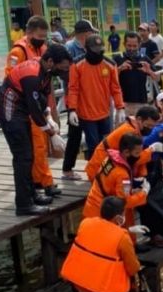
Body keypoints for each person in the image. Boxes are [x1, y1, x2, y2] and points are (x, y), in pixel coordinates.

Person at [0, 44, 71, 216]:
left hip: (21, 111)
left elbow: (42, 101)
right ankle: (23, 204)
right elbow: (34, 108)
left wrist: (49, 118)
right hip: (11, 112)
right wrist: (51, 133)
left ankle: (31, 195)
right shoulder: (32, 73)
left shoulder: (46, 73)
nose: (64, 72)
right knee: (23, 157)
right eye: (63, 68)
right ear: (51, 61)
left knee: (29, 156)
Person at [60, 196, 144, 292]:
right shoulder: (122, 238)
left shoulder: (85, 223)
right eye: (123, 213)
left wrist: (127, 230)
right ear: (118, 218)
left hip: (78, 289)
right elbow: (133, 268)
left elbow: (102, 235)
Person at [67, 34, 126, 161]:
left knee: (105, 144)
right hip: (86, 114)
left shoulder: (110, 64)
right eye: (95, 50)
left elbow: (115, 88)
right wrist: (72, 109)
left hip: (105, 112)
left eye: (100, 50)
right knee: (93, 145)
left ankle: (103, 172)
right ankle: (94, 172)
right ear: (87, 48)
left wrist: (120, 107)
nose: (98, 53)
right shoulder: (77, 65)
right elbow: (73, 89)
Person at [83, 133, 152, 228]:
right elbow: (124, 201)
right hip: (103, 214)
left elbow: (110, 184)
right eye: (137, 153)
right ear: (126, 152)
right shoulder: (123, 175)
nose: (139, 156)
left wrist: (131, 191)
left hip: (93, 205)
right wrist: (143, 193)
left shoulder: (109, 159)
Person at [61, 19, 98, 181]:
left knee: (94, 137)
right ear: (84, 33)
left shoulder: (87, 47)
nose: (93, 35)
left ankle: (94, 168)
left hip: (91, 100)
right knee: (74, 136)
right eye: (91, 32)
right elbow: (66, 75)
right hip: (75, 100)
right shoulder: (69, 48)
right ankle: (67, 169)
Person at [85, 105, 162, 182]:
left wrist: (142, 176)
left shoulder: (133, 128)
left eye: (152, 127)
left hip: (102, 166)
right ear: (139, 119)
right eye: (148, 125)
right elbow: (135, 159)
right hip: (99, 172)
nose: (150, 129)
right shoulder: (130, 132)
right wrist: (152, 149)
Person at [114, 32, 160, 116]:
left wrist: (149, 71)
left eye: (134, 46)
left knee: (140, 128)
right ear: (124, 44)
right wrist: (120, 69)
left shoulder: (144, 58)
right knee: (124, 129)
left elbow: (157, 78)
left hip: (141, 102)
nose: (132, 49)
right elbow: (109, 79)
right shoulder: (118, 58)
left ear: (139, 45)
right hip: (122, 102)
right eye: (129, 45)